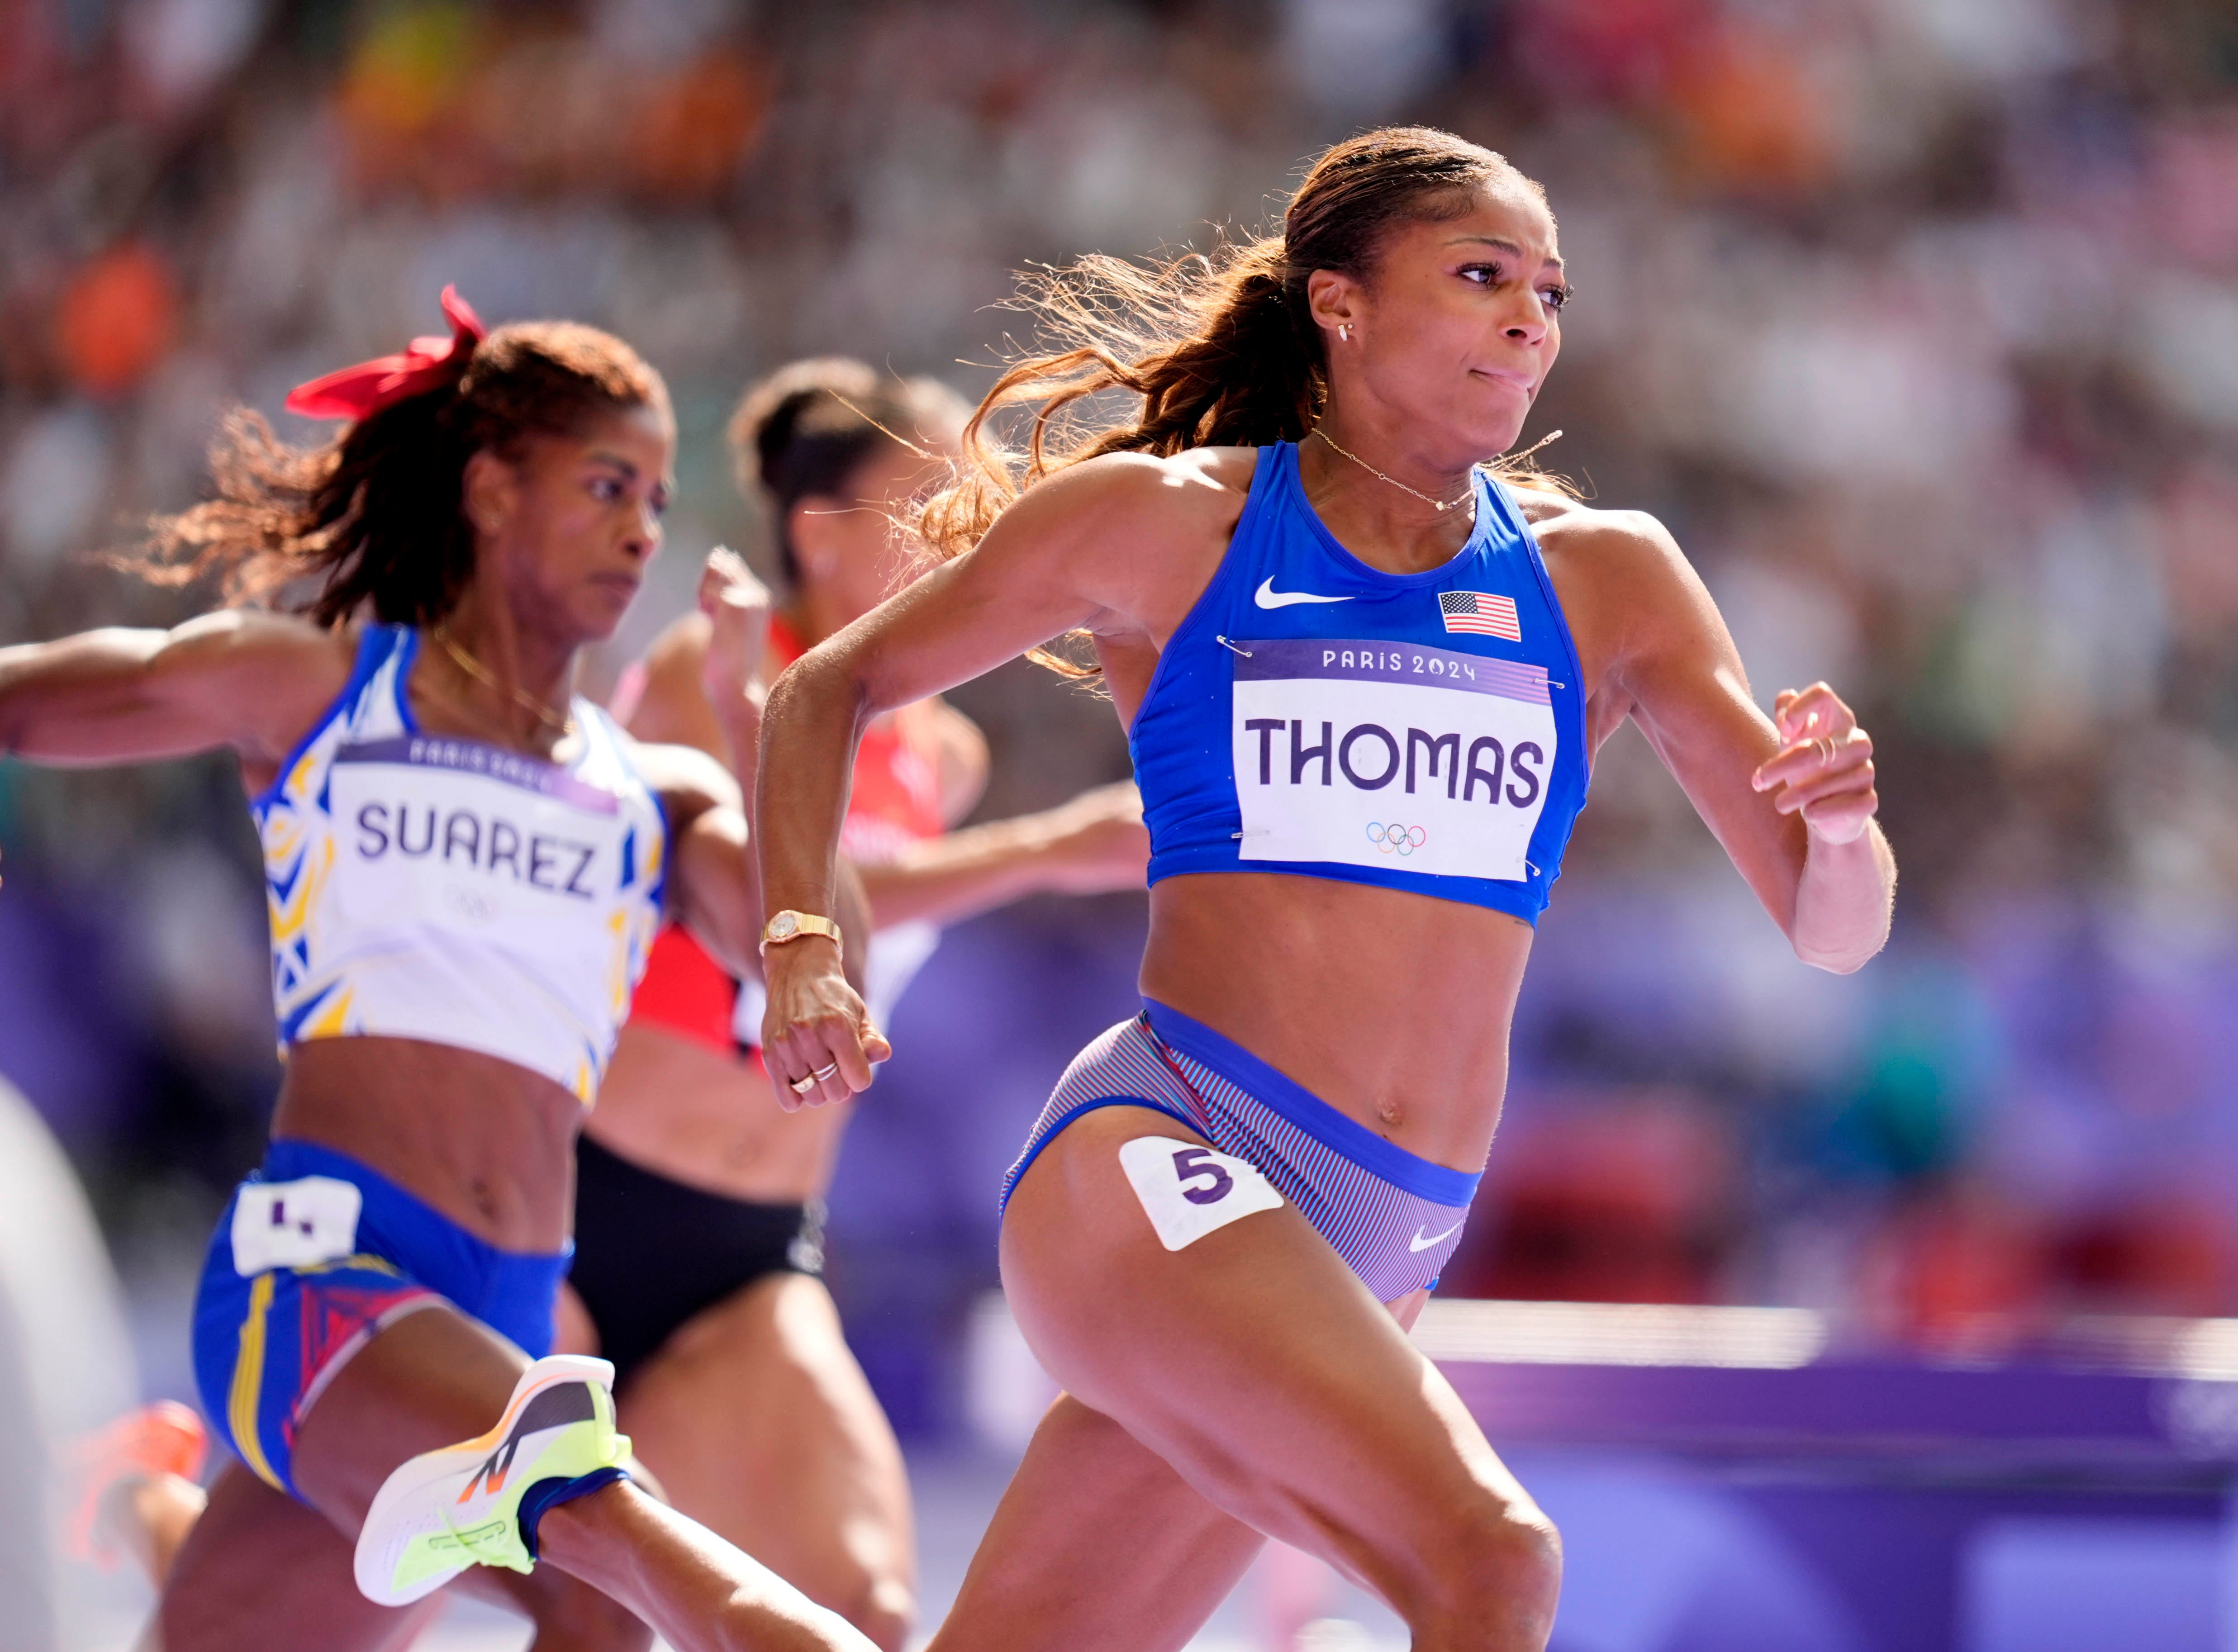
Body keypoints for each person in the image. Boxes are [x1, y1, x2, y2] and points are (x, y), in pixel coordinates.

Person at [752, 127, 1896, 1652]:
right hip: (1169, 1150)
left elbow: (1832, 933)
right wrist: (801, 942)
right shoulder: (1176, 524)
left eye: (1548, 294)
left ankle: (588, 1520)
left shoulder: (1607, 578)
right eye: (1481, 277)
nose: (1528, 321)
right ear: (1337, 306)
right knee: (1493, 1561)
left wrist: (1842, 830)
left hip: (1384, 1238)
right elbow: (821, 690)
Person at [0, 288, 880, 1652]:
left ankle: (147, 1503)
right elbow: (30, 698)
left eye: (655, 492)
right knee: (614, 1575)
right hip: (326, 1278)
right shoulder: (313, 690)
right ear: (486, 489)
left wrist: (776, 768)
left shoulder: (655, 792)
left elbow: (810, 941)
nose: (645, 526)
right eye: (604, 484)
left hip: (504, 1313)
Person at [559, 359, 1149, 1651]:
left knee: (862, 1608)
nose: (966, 532)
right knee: (567, 1621)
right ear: (818, 531)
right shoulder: (697, 670)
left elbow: (866, 910)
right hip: (571, 1197)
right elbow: (782, 879)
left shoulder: (943, 749)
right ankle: (163, 1511)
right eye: (926, 500)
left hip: (756, 1241)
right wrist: (1052, 846)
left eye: (975, 503)